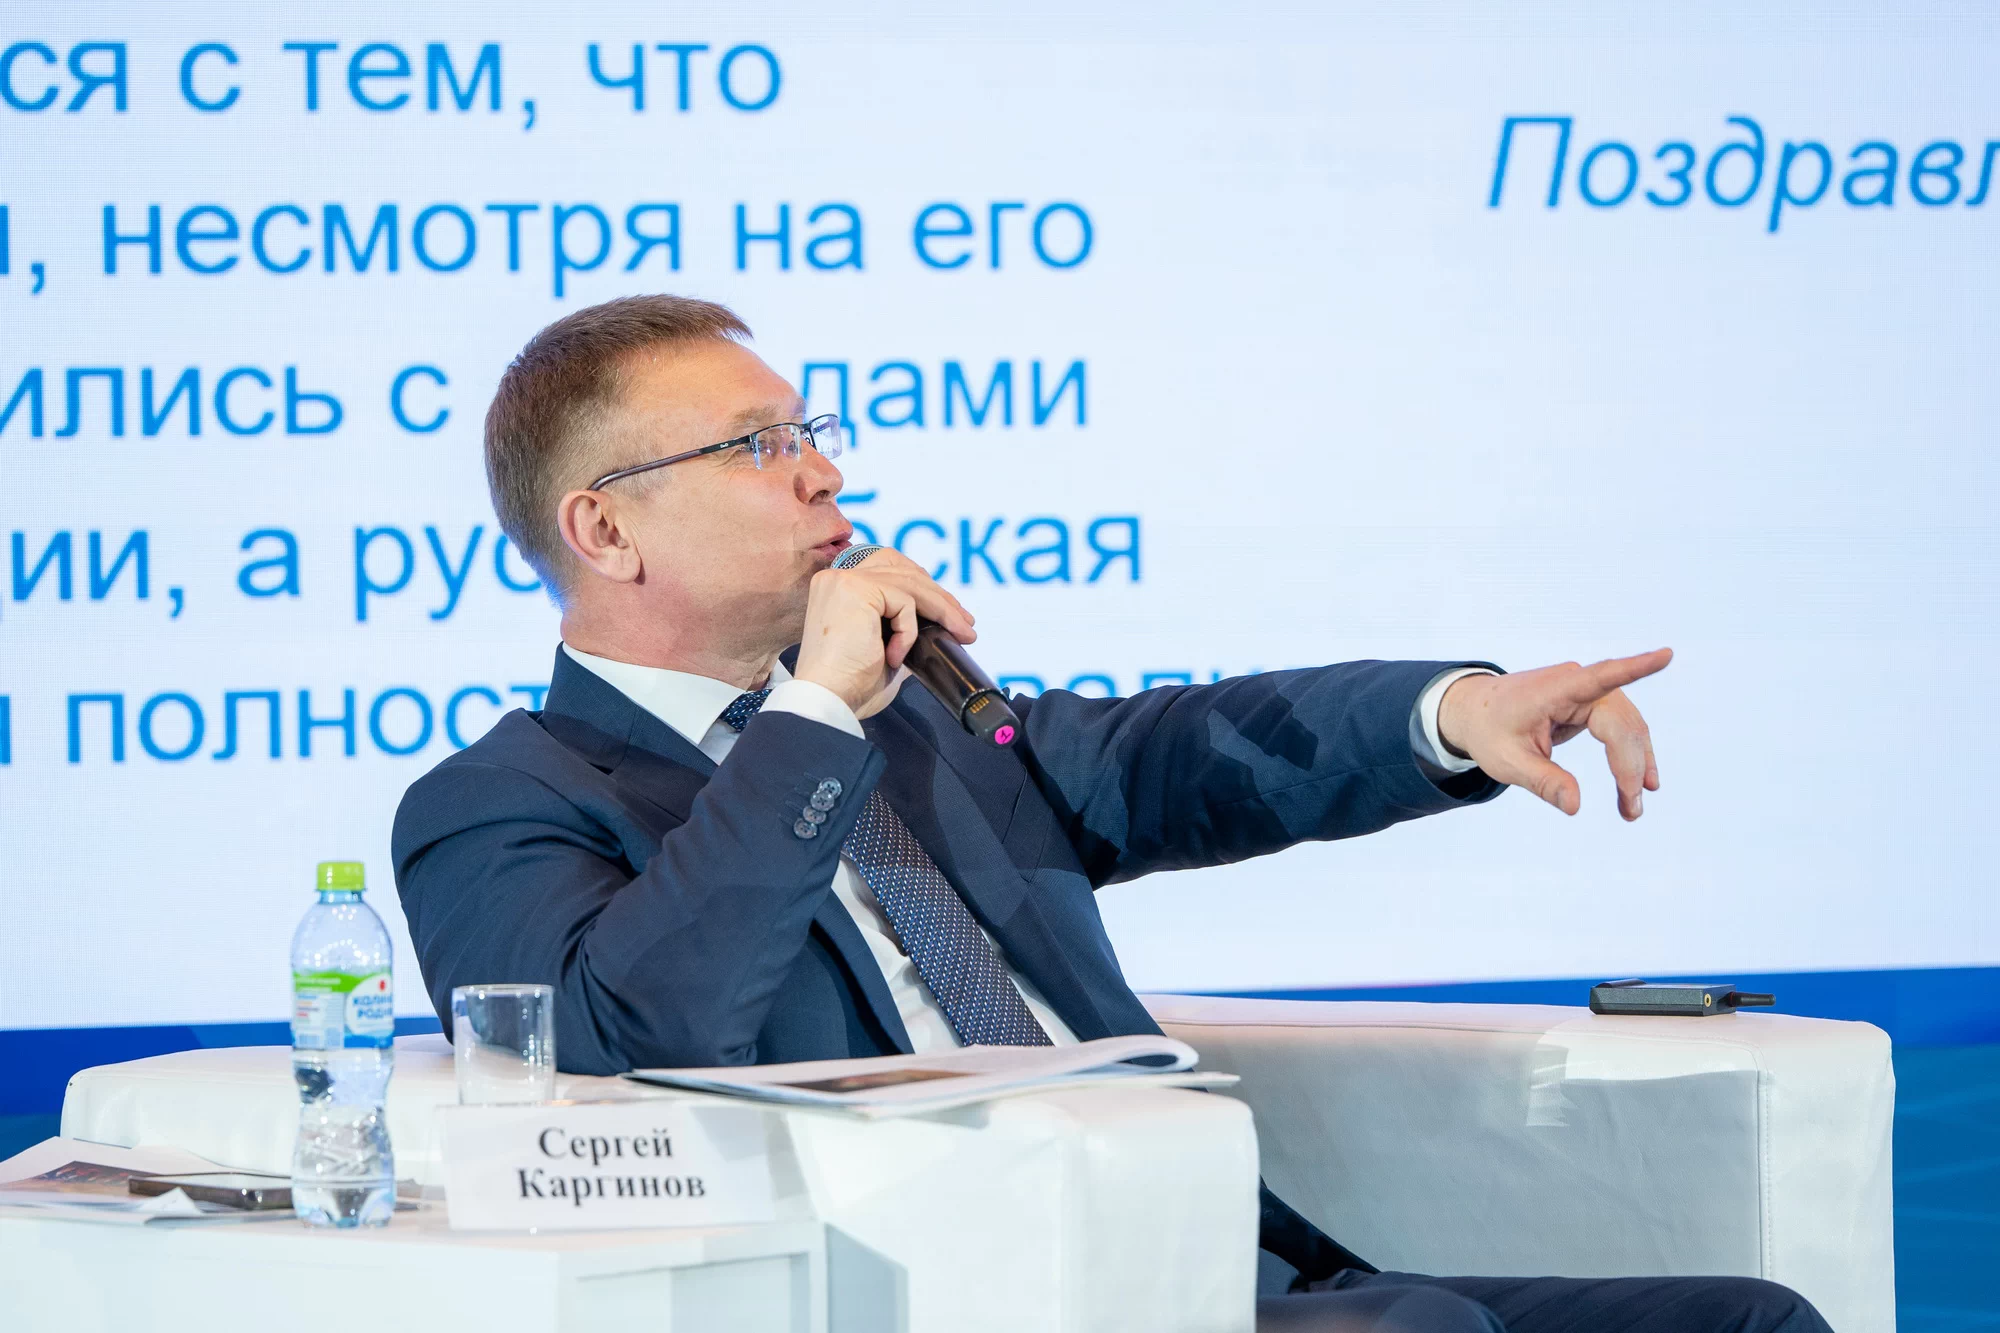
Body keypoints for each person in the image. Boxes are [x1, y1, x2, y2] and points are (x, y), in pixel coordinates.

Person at [392, 294, 1828, 1333]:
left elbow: (1173, 753)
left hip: (1210, 1266)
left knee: (1746, 1319)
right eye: (758, 446)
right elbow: (638, 1029)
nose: (825, 471)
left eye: (812, 432)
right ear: (605, 529)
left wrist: (1451, 714)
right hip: (960, 1292)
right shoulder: (499, 807)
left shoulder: (924, 730)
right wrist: (812, 715)